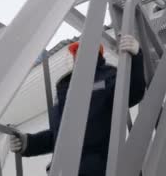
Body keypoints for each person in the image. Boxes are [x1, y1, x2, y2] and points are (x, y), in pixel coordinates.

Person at [9, 35, 146, 176]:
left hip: (103, 166)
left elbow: (133, 93)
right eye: (76, 53)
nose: (79, 56)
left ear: (97, 53)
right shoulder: (65, 87)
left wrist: (136, 57)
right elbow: (58, 136)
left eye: (85, 50)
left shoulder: (108, 76)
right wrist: (28, 143)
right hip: (68, 168)